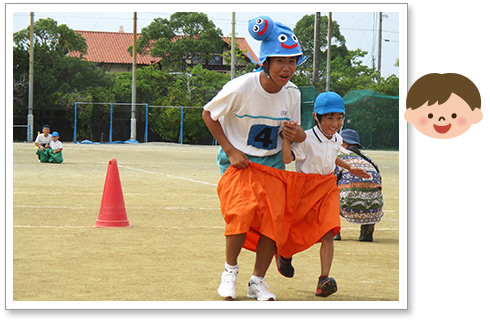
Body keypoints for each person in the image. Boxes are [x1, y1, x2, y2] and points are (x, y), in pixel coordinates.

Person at [202, 15, 307, 301]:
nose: (287, 68)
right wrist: (231, 150)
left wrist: (294, 134)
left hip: (271, 163)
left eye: (293, 61)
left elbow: (295, 136)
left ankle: (257, 281)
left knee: (274, 223)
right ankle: (230, 272)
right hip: (239, 161)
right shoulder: (242, 87)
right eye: (280, 61)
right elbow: (209, 114)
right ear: (266, 62)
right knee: (240, 213)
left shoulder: (293, 94)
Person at [281, 92, 370, 297]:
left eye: (339, 118)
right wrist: (287, 140)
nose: (334, 123)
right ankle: (284, 255)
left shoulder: (337, 137)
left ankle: (324, 279)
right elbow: (287, 158)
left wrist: (350, 167)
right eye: (329, 118)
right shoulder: (306, 138)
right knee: (297, 230)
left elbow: (332, 154)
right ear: (316, 117)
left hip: (328, 186)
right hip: (306, 189)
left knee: (328, 232)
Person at [333, 129, 383, 242]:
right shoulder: (368, 159)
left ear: (345, 144)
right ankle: (367, 231)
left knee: (328, 193)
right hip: (374, 207)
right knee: (372, 193)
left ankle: (334, 231)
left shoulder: (338, 157)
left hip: (348, 203)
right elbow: (379, 181)